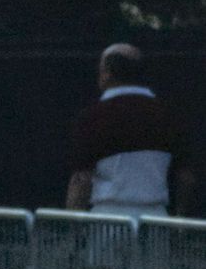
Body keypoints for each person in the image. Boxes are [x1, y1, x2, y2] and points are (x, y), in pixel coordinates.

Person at [67, 43, 195, 218]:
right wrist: (180, 218)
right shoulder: (168, 114)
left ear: (106, 74)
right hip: (156, 218)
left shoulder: (93, 116)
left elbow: (81, 179)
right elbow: (185, 176)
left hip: (107, 218)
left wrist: (73, 222)